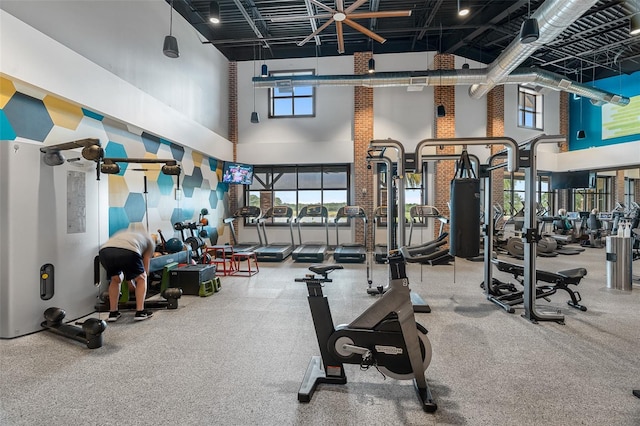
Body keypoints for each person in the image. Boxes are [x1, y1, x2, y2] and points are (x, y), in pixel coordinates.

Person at [98, 230, 156, 321]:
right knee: (142, 278)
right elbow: (145, 267)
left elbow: (126, 267)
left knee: (115, 279)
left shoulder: (126, 234)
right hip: (128, 251)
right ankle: (140, 312)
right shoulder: (150, 242)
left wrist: (130, 282)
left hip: (105, 252)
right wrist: (138, 284)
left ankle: (113, 313)